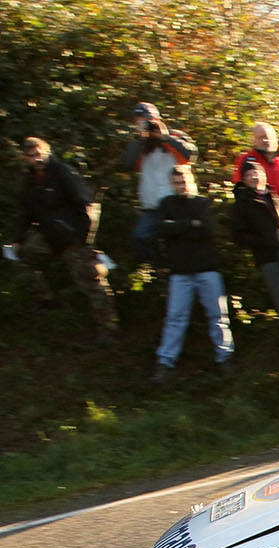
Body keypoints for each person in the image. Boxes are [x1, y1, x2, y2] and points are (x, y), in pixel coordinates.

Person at [6, 137, 119, 342]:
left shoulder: (62, 173)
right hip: (48, 237)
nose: (36, 158)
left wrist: (84, 239)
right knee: (20, 255)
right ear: (26, 158)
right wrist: (16, 240)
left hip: (73, 238)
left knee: (91, 280)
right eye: (31, 156)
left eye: (39, 153)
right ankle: (45, 299)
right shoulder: (30, 182)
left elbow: (89, 206)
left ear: (47, 152)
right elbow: (25, 214)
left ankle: (108, 328)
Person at [153, 164, 233, 382]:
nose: (182, 186)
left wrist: (177, 228)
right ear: (172, 184)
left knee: (218, 316)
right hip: (180, 272)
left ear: (192, 180)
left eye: (185, 182)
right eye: (177, 183)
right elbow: (161, 229)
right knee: (175, 318)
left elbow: (208, 230)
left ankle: (225, 357)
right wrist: (190, 224)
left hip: (207, 269)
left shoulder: (203, 203)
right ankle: (165, 363)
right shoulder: (166, 204)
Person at [232, 158, 279, 350]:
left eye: (257, 173)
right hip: (268, 258)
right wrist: (266, 242)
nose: (255, 177)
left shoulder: (275, 196)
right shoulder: (242, 203)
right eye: (249, 175)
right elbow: (239, 236)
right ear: (244, 179)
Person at [121, 102, 196, 265]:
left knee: (178, 241)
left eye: (145, 119)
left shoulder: (175, 136)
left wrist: (165, 137)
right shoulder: (139, 144)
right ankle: (155, 272)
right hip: (152, 205)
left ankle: (178, 269)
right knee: (140, 236)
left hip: (177, 202)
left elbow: (190, 155)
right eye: (138, 121)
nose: (143, 123)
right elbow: (128, 164)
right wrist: (141, 138)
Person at [230, 122, 279, 211]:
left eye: (269, 137)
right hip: (261, 213)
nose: (266, 140)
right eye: (261, 137)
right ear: (254, 141)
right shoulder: (245, 160)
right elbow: (239, 187)